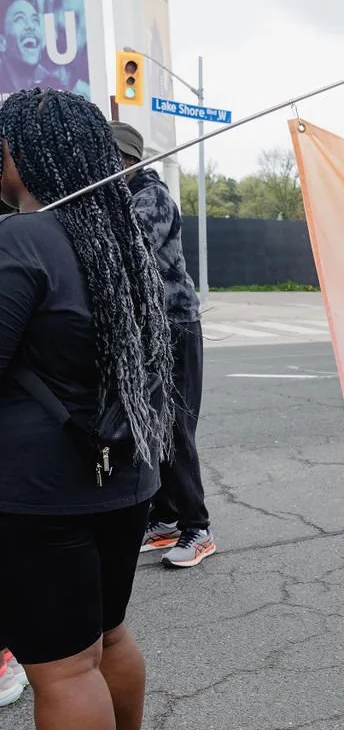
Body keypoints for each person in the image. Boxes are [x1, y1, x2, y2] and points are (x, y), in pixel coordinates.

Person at [0, 87, 172, 730]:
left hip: (40, 493)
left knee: (62, 668)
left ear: (20, 157)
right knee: (106, 637)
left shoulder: (24, 240)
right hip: (123, 481)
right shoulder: (119, 235)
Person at [111, 122, 216, 569]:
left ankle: (198, 527)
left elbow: (132, 250)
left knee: (174, 429)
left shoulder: (150, 196)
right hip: (149, 329)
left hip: (175, 324)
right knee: (151, 427)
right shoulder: (123, 196)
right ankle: (166, 519)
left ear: (126, 161)